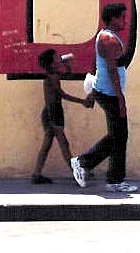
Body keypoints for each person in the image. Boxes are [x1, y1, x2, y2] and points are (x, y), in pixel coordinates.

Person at [71, 2, 138, 193]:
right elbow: (111, 71)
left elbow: (96, 63)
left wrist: (93, 92)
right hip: (110, 94)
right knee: (119, 137)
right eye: (122, 17)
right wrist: (120, 98)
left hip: (104, 91)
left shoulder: (105, 36)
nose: (125, 20)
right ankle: (97, 170)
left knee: (118, 136)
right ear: (113, 19)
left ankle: (91, 166)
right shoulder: (109, 40)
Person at [31, 49, 94, 184]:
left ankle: (36, 174)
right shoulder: (52, 77)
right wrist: (82, 101)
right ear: (51, 63)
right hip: (53, 113)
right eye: (56, 58)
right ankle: (77, 173)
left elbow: (67, 74)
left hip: (49, 112)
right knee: (64, 144)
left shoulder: (52, 74)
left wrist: (66, 64)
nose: (58, 58)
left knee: (47, 145)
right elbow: (62, 95)